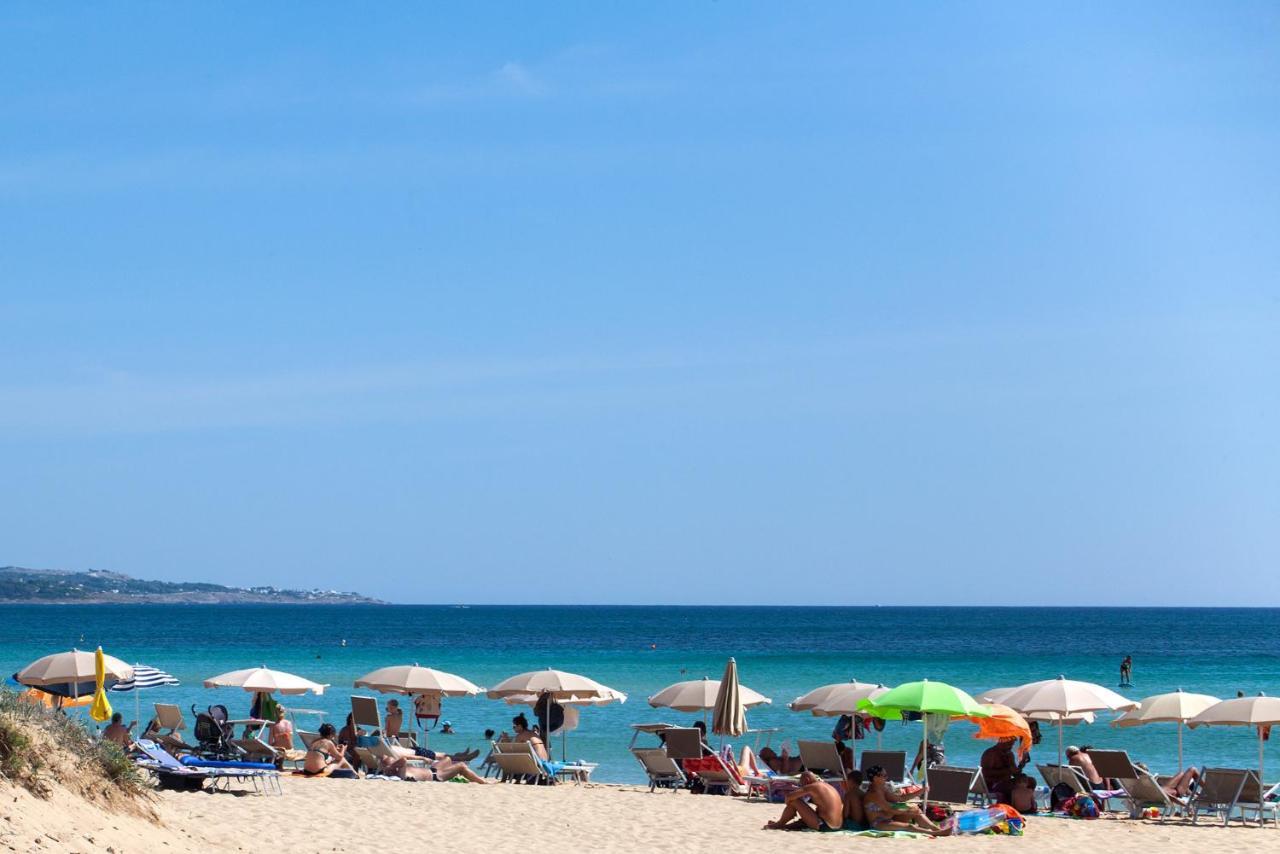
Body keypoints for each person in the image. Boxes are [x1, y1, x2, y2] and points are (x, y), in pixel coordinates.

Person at [862, 765, 952, 836]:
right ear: (875, 778)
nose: (887, 777)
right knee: (909, 826)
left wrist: (921, 791)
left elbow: (900, 798)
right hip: (878, 823)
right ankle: (935, 833)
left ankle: (936, 829)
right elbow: (890, 809)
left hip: (889, 818)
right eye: (884, 775)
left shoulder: (883, 788)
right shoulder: (873, 793)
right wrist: (906, 809)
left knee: (915, 810)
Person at [763, 771, 847, 832]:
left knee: (795, 800)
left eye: (801, 784)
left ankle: (780, 824)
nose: (801, 786)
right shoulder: (827, 786)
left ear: (807, 780)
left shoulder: (813, 786)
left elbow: (789, 797)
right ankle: (783, 825)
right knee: (802, 820)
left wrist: (791, 805)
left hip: (826, 826)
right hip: (837, 826)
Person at [377, 753, 489, 783]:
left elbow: (400, 759)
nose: (394, 760)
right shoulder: (400, 773)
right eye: (392, 761)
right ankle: (483, 782)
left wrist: (386, 763)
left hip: (432, 769)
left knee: (448, 759)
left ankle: (465, 758)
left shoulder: (396, 768)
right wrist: (389, 766)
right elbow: (403, 760)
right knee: (461, 766)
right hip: (436, 776)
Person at [981, 737, 1022, 803]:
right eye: (1009, 744)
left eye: (1012, 744)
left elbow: (1015, 773)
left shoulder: (1009, 754)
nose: (1011, 746)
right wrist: (1006, 771)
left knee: (1031, 781)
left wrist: (1021, 766)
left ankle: (1026, 805)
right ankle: (1008, 805)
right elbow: (985, 773)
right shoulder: (991, 753)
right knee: (1009, 786)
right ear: (1002, 741)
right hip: (992, 784)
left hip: (1005, 782)